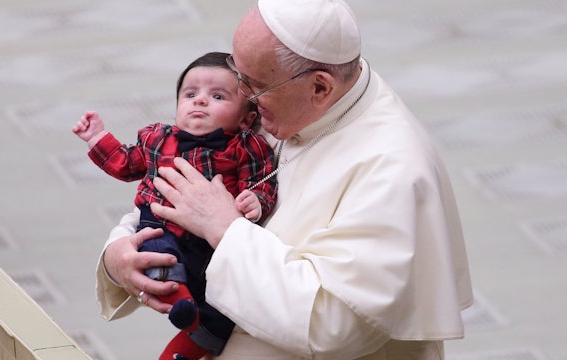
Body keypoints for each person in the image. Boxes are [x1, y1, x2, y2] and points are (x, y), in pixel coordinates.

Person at [95, 0, 473, 359]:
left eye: (254, 85)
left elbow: (334, 323)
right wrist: (119, 253)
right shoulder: (289, 100)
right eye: (238, 74)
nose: (242, 96)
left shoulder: (392, 168)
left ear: (320, 88)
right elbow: (186, 181)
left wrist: (225, 231)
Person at [74, 52, 278, 360]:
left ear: (246, 119)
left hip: (211, 243)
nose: (200, 101)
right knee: (157, 251)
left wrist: (257, 202)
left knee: (222, 311)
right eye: (190, 94)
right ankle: (181, 303)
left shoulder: (246, 147)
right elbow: (126, 164)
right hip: (161, 223)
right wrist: (97, 137)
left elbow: (262, 182)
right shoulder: (158, 138)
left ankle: (180, 352)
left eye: (218, 96)